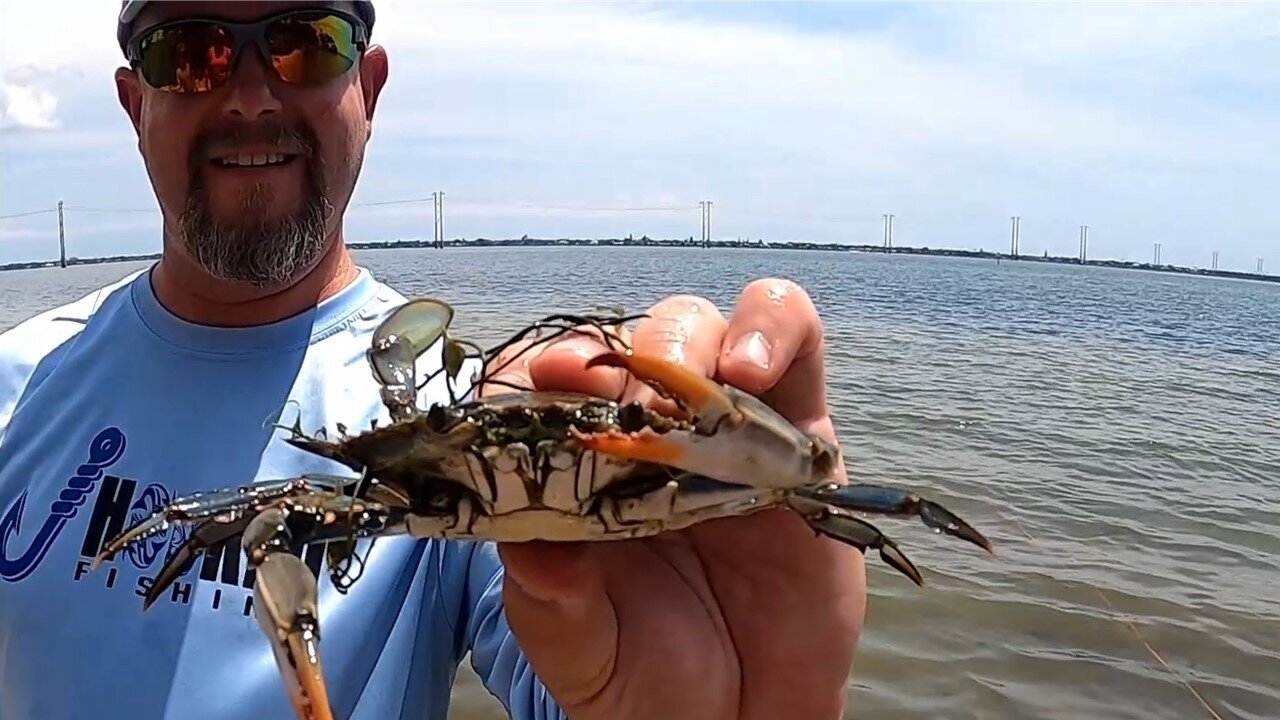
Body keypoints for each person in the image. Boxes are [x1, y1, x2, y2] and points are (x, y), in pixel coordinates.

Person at [0, 2, 865, 719]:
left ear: (367, 89)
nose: (250, 93)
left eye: (307, 42)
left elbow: (576, 663)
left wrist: (762, 696)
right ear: (132, 102)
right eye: (191, 53)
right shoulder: (14, 385)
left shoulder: (455, 416)